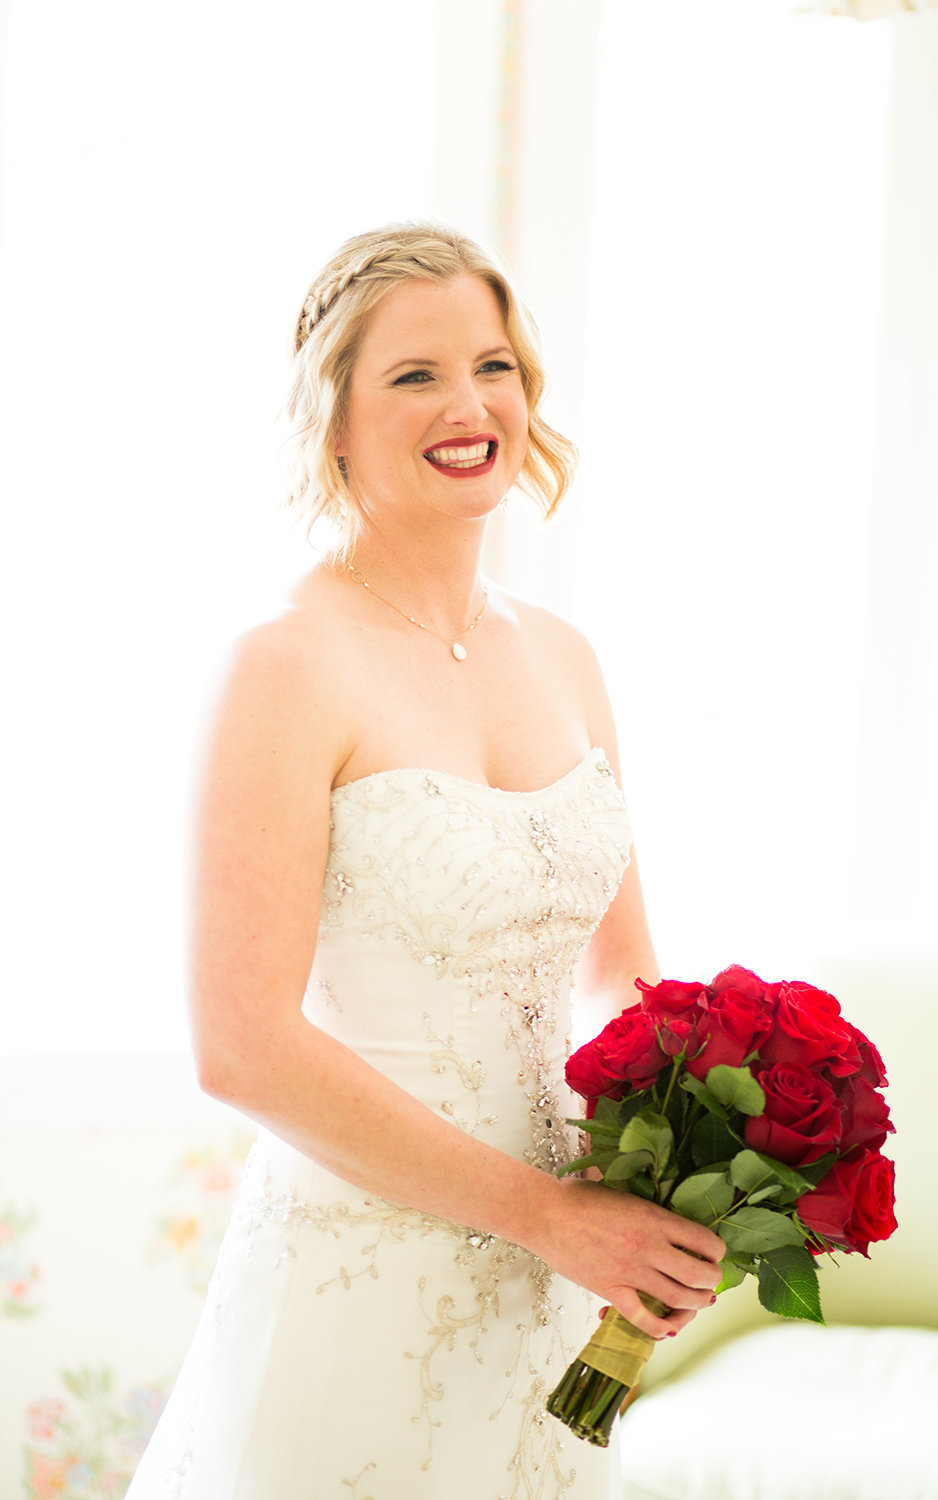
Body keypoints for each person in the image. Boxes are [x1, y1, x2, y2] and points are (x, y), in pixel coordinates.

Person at [125, 222, 725, 1500]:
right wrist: (546, 1215)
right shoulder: (283, 666)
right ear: (331, 416)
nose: (469, 406)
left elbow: (623, 975)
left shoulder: (565, 656)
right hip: (360, 1267)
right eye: (414, 376)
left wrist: (696, 1161)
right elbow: (240, 1042)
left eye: (494, 366)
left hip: (555, 1286)